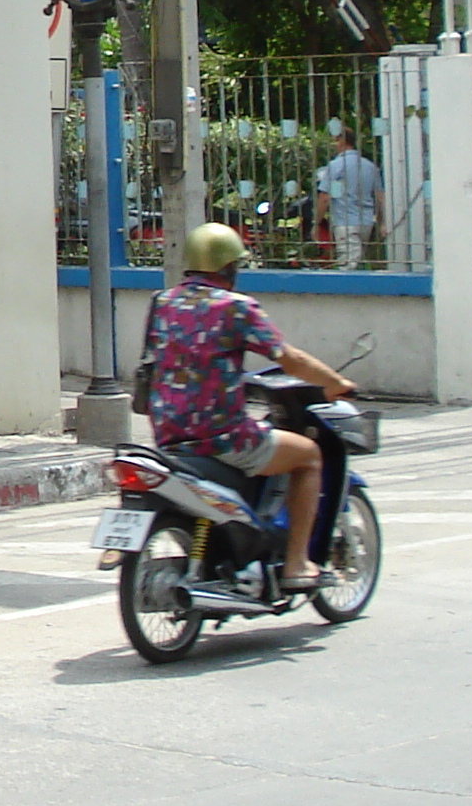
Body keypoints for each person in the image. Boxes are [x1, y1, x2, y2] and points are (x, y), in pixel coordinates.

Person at [144, 223, 358, 590]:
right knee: (309, 457)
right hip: (222, 437)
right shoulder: (236, 308)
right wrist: (335, 383)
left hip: (169, 433)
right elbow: (288, 358)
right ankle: (296, 564)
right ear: (229, 268)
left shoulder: (163, 303)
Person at [312, 120, 384, 269]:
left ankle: (347, 291)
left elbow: (324, 197)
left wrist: (317, 223)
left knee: (347, 265)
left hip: (345, 221)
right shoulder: (369, 166)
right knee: (357, 259)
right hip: (366, 222)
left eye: (334, 141)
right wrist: (382, 222)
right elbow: (380, 198)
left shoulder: (336, 166)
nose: (333, 145)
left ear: (342, 142)